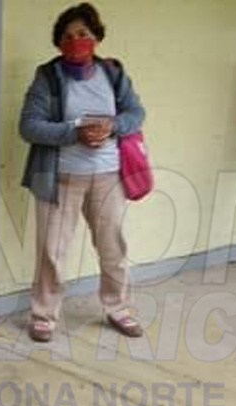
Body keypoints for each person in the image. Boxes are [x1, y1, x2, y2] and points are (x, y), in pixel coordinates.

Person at [19, 2, 146, 343]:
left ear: (97, 38)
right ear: (59, 42)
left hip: (109, 176)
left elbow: (136, 112)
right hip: (61, 178)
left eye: (84, 34)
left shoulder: (113, 73)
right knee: (52, 250)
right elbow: (29, 126)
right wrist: (73, 133)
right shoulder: (48, 77)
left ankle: (118, 307)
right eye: (69, 35)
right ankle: (44, 315)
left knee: (113, 247)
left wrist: (113, 126)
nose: (77, 40)